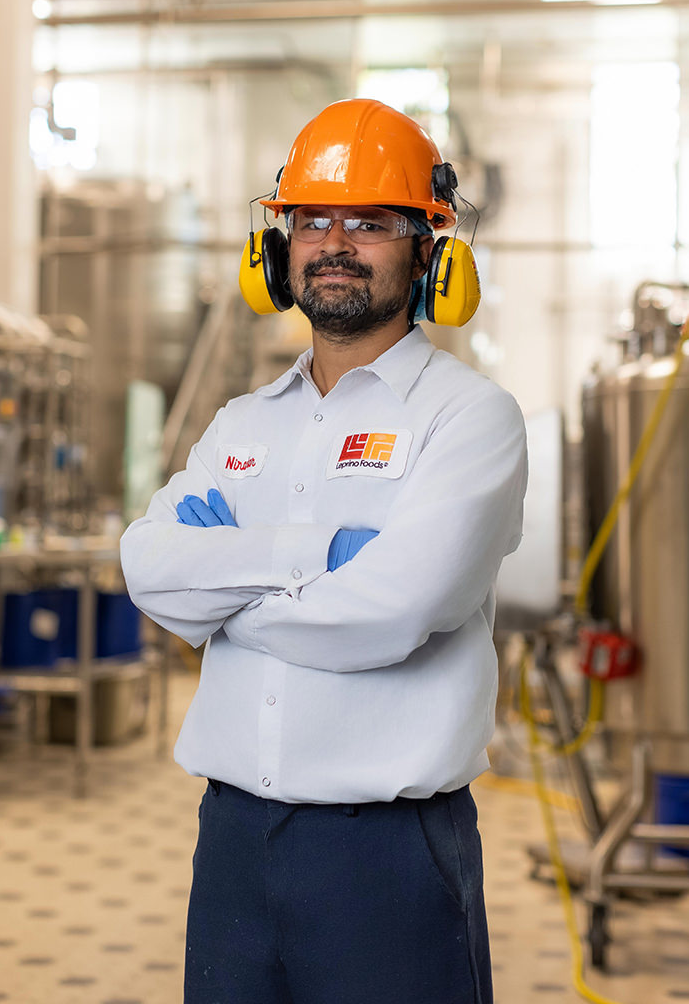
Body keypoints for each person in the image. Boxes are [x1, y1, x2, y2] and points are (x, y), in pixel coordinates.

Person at [120, 98, 528, 1004]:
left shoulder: (469, 420)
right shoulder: (241, 423)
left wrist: (228, 598)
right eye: (312, 220)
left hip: (388, 855)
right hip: (230, 846)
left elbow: (396, 613)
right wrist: (326, 552)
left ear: (432, 250)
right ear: (278, 249)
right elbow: (147, 565)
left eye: (371, 222)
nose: (335, 242)